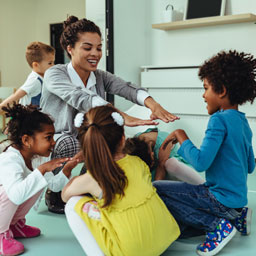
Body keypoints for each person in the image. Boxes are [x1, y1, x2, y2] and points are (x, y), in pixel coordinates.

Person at [40, 15, 179, 213]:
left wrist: (152, 104)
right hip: (58, 138)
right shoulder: (55, 73)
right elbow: (79, 97)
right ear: (70, 48)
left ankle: (92, 187)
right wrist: (119, 115)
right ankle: (55, 193)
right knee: (74, 142)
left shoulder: (99, 76)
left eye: (98, 47)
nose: (95, 53)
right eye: (87, 48)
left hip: (87, 136)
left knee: (112, 139)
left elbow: (126, 88)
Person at [153, 50, 256, 256]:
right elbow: (251, 166)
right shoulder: (243, 122)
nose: (203, 95)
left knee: (157, 189)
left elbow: (200, 163)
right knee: (183, 220)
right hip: (237, 202)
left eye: (206, 88)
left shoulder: (218, 120)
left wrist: (182, 136)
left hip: (218, 201)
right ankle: (237, 218)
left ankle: (216, 225)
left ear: (222, 91)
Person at [61, 105, 180, 256]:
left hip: (132, 251)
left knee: (72, 204)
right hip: (165, 237)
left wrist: (72, 173)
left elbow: (64, 195)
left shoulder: (93, 177)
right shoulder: (138, 162)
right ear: (123, 139)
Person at [0, 103, 79, 256]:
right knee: (15, 188)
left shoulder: (35, 159)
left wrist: (68, 168)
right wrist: (42, 170)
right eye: (48, 137)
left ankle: (14, 225)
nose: (54, 142)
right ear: (26, 140)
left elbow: (53, 186)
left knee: (37, 180)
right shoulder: (10, 160)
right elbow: (15, 196)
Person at [124, 127, 205, 184]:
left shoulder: (163, 141)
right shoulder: (133, 147)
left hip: (172, 174)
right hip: (147, 172)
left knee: (170, 164)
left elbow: (160, 170)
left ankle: (206, 189)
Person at [0, 42, 55, 111]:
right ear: (36, 65)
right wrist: (1, 106)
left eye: (53, 62)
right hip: (28, 119)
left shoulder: (42, 77)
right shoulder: (35, 80)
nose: (53, 66)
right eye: (50, 63)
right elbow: (16, 96)